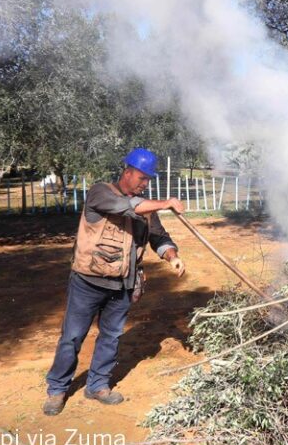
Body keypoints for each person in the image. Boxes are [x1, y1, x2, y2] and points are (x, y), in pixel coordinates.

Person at [42, 147, 186, 416]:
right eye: (141, 178)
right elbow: (127, 207)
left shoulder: (146, 209)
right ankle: (57, 389)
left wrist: (172, 256)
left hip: (123, 284)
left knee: (111, 336)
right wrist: (165, 202)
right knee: (72, 337)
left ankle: (97, 385)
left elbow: (159, 237)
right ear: (127, 172)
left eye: (148, 180)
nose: (145, 184)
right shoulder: (101, 192)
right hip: (87, 282)